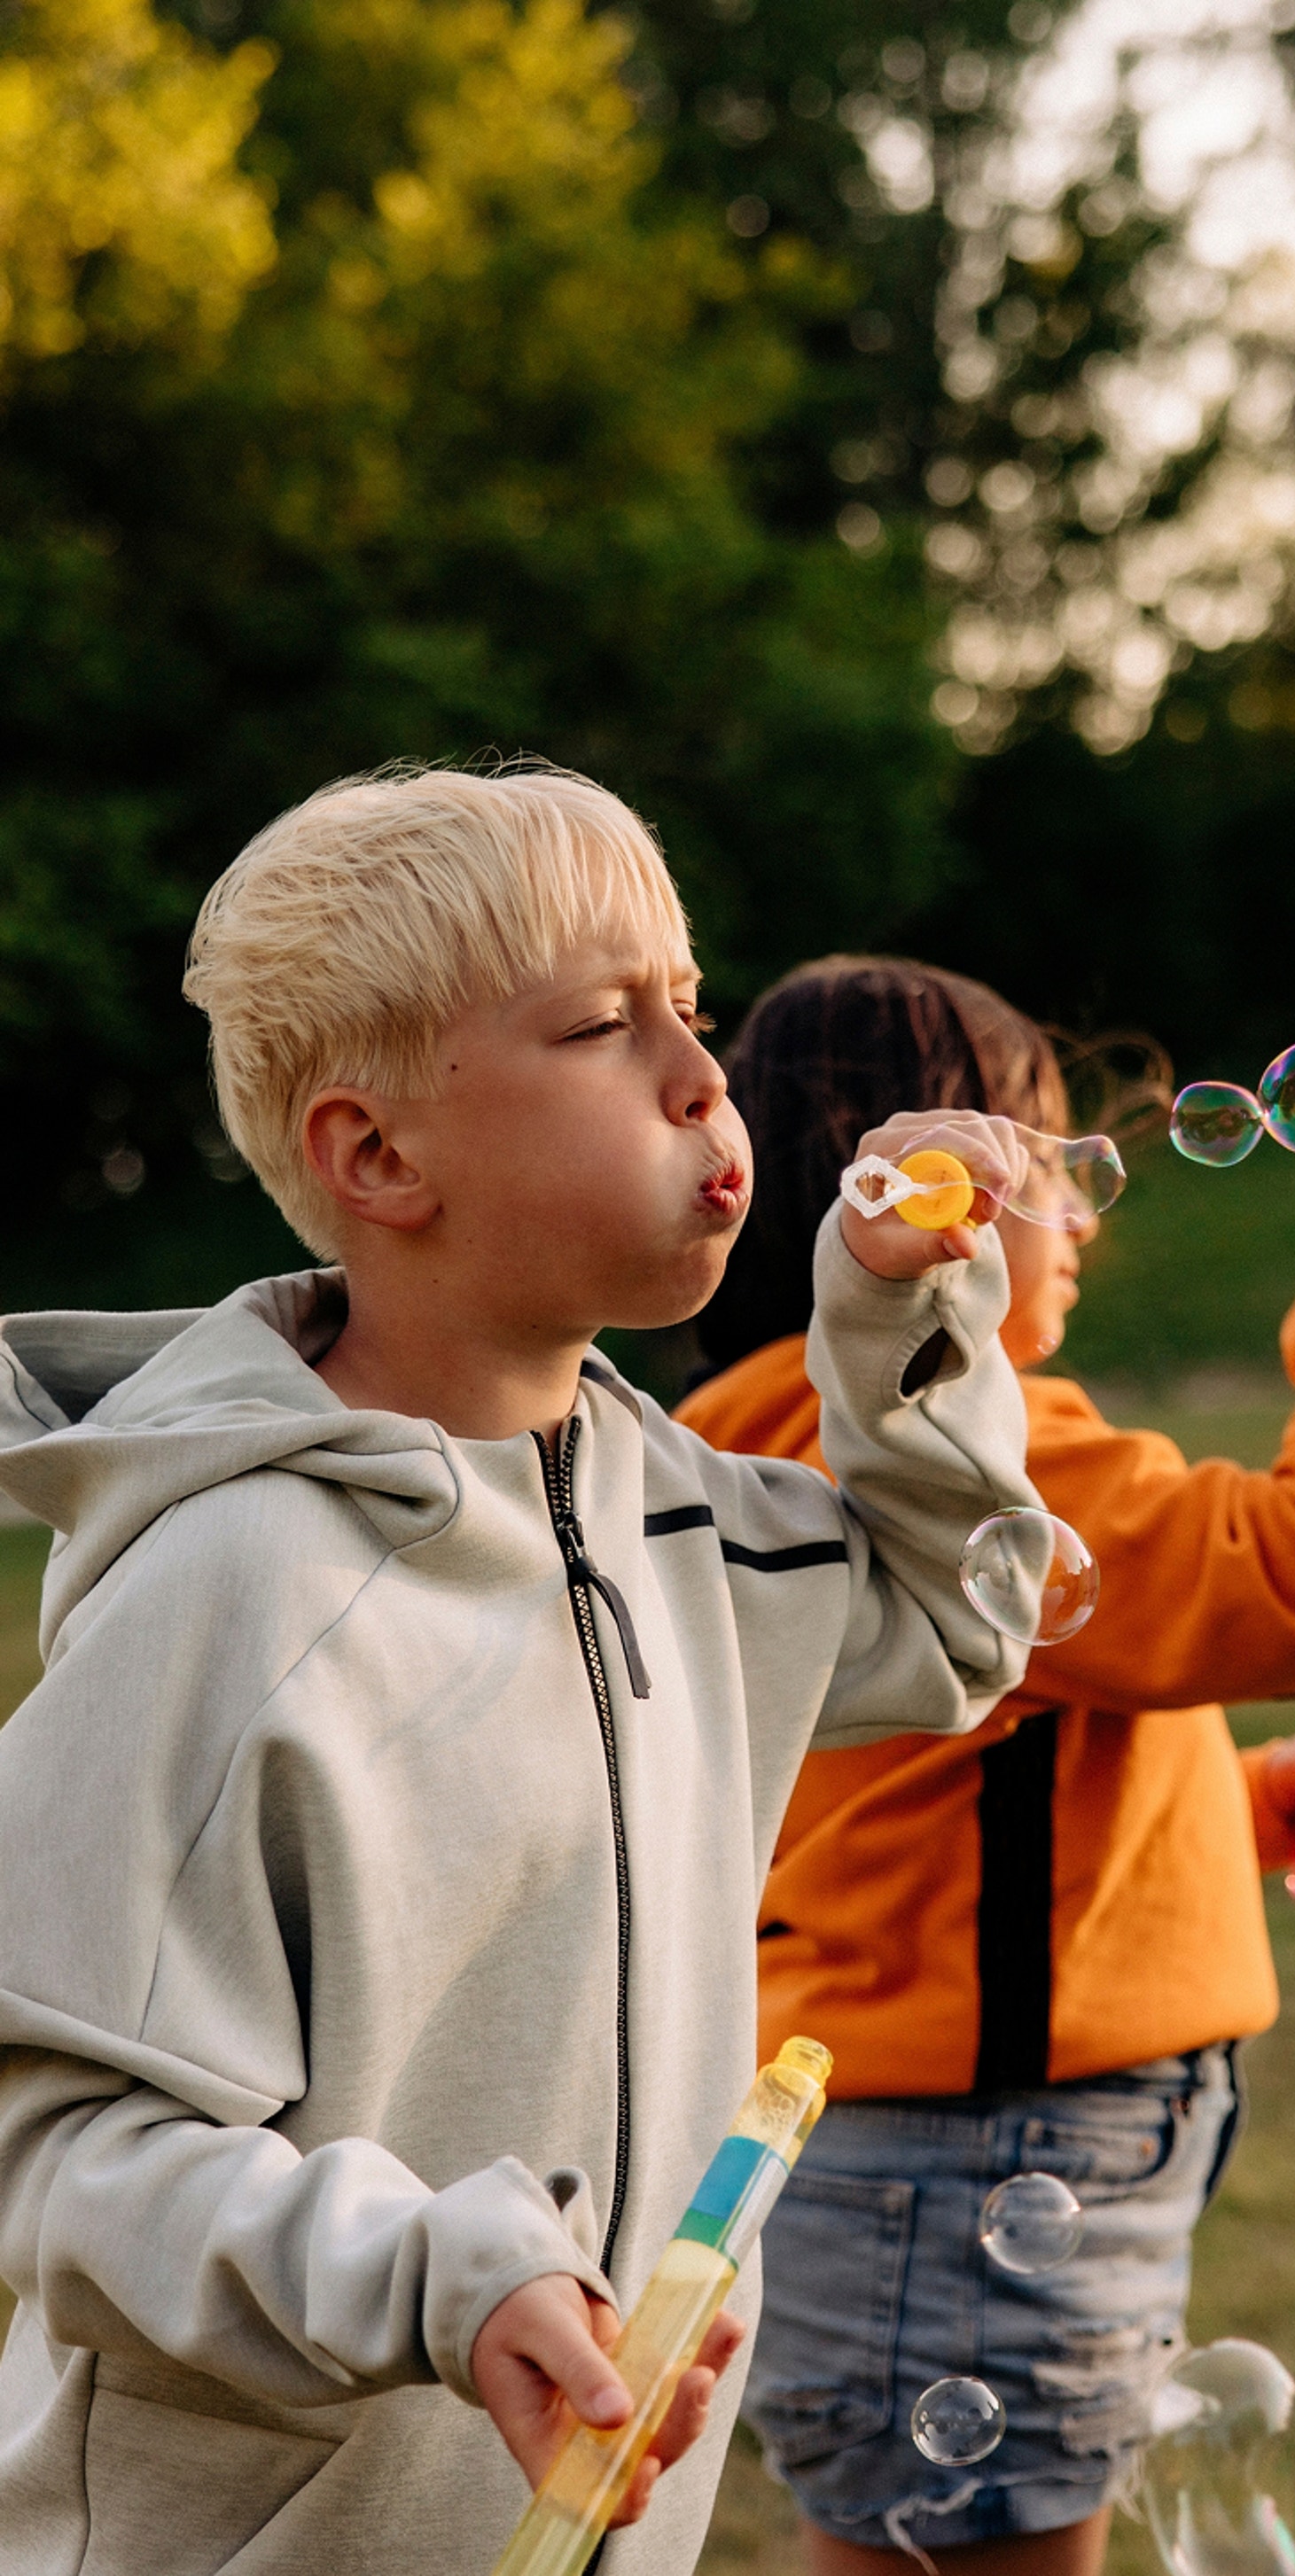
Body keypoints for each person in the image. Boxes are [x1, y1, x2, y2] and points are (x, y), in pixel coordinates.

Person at [0, 770, 1044, 2576]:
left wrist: (893, 1316)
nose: (700, 1077)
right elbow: (57, 2145)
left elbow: (954, 1616)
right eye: (599, 1025)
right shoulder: (230, 1590)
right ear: (380, 1155)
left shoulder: (679, 1525)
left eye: (690, 1012)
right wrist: (439, 2277)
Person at [675, 956, 1295, 2575]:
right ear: (931, 1201)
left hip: (913, 2163)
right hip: (984, 2167)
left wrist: (1218, 1813)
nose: (1084, 1214)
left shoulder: (754, 1428)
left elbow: (906, 1809)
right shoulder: (969, 1452)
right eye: (1047, 1162)